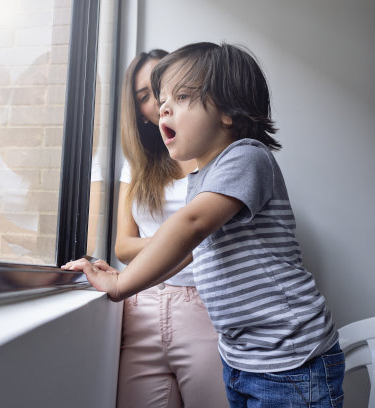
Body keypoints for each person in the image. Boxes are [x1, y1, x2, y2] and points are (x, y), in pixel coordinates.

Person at [63, 42, 345, 407]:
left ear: (228, 111)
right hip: (243, 359)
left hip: (290, 357)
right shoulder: (201, 177)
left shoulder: (247, 156)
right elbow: (192, 248)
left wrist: (120, 283)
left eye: (181, 97)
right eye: (161, 99)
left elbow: (190, 225)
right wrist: (136, 284)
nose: (164, 107)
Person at [114, 49, 227, 408]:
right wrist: (172, 244)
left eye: (164, 90)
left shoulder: (215, 157)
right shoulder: (137, 168)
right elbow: (122, 246)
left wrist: (173, 243)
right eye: (145, 97)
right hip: (142, 302)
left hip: (203, 300)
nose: (159, 105)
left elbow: (198, 231)